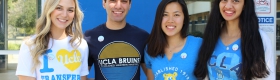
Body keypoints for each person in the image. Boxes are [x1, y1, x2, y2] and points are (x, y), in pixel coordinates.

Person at [194, 0, 275, 79]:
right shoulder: (212, 34)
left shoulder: (259, 38)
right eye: (224, 0)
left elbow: (266, 77)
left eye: (236, 1)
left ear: (245, 5)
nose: (228, 6)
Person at [15, 0, 88, 80]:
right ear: (49, 9)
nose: (64, 15)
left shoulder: (80, 44)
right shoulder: (30, 45)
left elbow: (82, 78)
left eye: (70, 10)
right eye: (59, 8)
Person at [84, 0, 149, 80]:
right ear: (104, 3)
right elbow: (80, 77)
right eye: (113, 1)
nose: (118, 6)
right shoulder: (90, 38)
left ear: (130, 5)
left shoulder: (142, 37)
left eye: (124, 1)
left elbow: (154, 76)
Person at [145, 0, 202, 80]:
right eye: (165, 15)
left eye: (176, 15)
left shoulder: (198, 45)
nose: (170, 20)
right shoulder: (151, 47)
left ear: (184, 18)